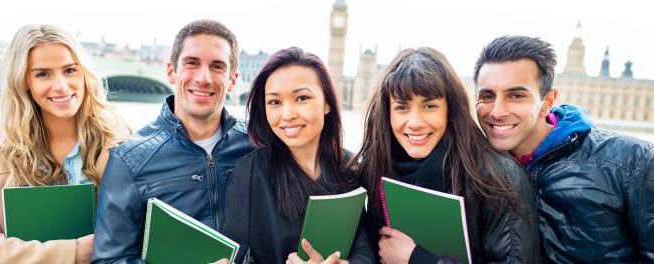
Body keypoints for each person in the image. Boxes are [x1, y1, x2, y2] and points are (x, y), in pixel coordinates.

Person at [0, 24, 131, 264]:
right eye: (43, 74)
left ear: (84, 73)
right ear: (23, 81)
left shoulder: (122, 140)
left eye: (70, 70)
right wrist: (74, 253)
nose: (61, 86)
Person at [474, 35, 654, 263]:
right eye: (487, 96)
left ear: (547, 102)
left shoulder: (632, 162)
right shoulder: (473, 169)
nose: (497, 111)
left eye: (516, 96)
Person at [353, 47, 539, 263]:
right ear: (387, 113)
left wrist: (418, 259)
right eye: (402, 107)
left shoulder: (498, 178)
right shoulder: (375, 168)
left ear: (450, 109)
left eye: (430, 106)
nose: (414, 123)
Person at [92, 19, 254, 263]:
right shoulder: (129, 161)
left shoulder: (258, 145)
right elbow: (109, 259)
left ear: (232, 79)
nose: (204, 78)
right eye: (192, 63)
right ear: (171, 71)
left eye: (217, 66)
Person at [221, 47, 374, 264]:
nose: (288, 115)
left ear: (327, 103)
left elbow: (365, 248)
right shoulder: (250, 173)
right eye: (274, 102)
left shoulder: (348, 167)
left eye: (301, 98)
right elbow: (234, 257)